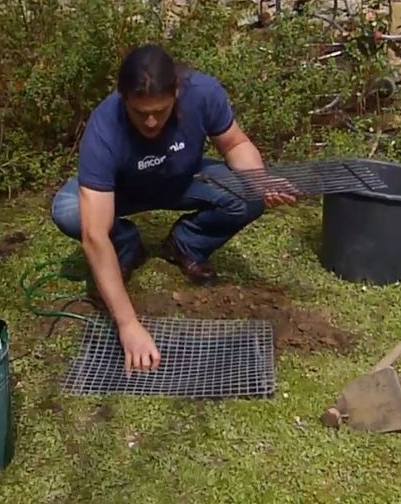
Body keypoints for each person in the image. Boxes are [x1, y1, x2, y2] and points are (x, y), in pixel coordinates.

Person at [50, 44, 297, 373]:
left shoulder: (203, 93)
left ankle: (185, 244)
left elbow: (235, 144)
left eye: (161, 111)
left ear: (177, 93)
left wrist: (260, 181)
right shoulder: (104, 127)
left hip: (182, 181)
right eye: (140, 113)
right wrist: (128, 325)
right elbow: (94, 234)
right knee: (69, 212)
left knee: (248, 191)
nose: (151, 122)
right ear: (123, 98)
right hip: (123, 193)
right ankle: (126, 246)